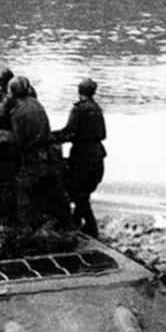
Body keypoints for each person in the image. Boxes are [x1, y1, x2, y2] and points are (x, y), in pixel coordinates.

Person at [7, 77, 71, 231]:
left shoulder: (17, 113)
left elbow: (19, 142)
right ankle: (68, 224)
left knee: (22, 190)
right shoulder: (36, 103)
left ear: (12, 92)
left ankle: (25, 228)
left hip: (33, 157)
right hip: (49, 154)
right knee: (57, 192)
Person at [53, 77, 107, 238]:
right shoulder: (98, 109)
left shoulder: (78, 110)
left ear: (79, 92)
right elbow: (103, 134)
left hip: (82, 157)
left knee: (78, 194)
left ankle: (92, 229)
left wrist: (52, 137)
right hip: (98, 155)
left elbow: (69, 132)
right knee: (84, 192)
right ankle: (76, 222)